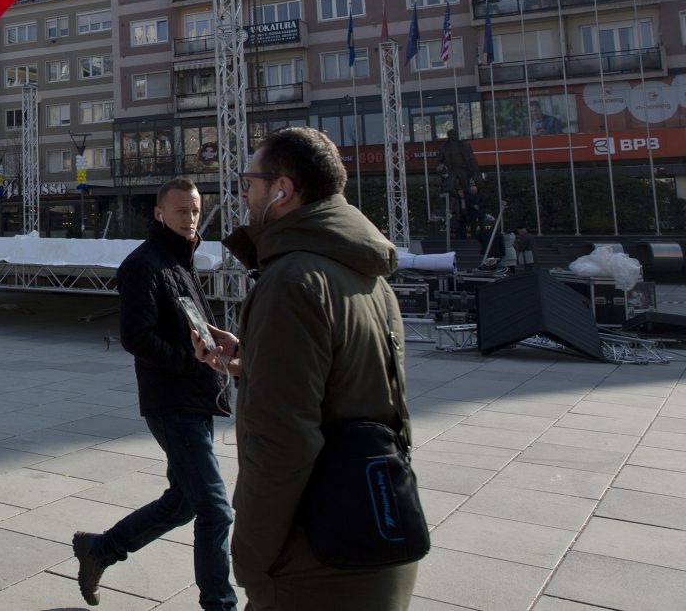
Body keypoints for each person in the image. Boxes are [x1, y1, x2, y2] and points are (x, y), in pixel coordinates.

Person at [197, 127, 416, 610]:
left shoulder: (292, 280)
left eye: (249, 182)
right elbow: (348, 381)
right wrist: (251, 359)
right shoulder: (364, 272)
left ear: (282, 190)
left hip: (316, 558)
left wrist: (251, 558)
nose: (243, 194)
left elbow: (283, 441)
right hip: (375, 524)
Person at [71, 179, 236, 610]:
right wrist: (192, 361)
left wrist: (217, 346)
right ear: (159, 214)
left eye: (195, 210)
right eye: (181, 211)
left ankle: (101, 549)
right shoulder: (143, 265)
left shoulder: (181, 258)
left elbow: (188, 325)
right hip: (172, 402)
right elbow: (136, 337)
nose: (191, 218)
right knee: (215, 510)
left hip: (196, 396)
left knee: (183, 502)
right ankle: (220, 605)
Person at [438, 128, 479, 194]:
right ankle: (456, 198)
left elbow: (472, 158)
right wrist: (442, 171)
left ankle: (466, 198)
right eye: (452, 135)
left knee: (467, 189)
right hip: (451, 170)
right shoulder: (444, 147)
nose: (454, 136)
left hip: (463, 169)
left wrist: (475, 170)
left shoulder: (464, 145)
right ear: (449, 136)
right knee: (450, 188)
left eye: (455, 134)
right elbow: (439, 160)